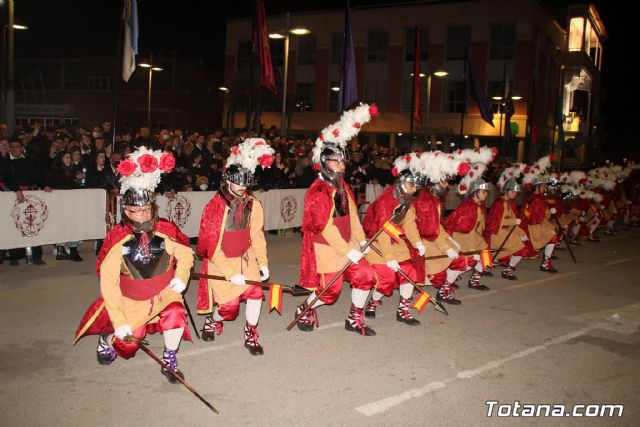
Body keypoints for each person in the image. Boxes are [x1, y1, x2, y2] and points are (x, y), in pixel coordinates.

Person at [74, 147, 194, 383]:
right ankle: (106, 337)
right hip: (131, 301)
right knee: (127, 347)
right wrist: (119, 323)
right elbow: (109, 286)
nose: (142, 216)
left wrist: (181, 276)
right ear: (125, 211)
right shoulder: (118, 240)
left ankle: (170, 357)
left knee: (176, 313)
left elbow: (186, 254)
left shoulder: (165, 231)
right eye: (136, 211)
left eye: (146, 210)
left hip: (163, 294)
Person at [295, 103, 378, 336]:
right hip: (327, 247)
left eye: (342, 161)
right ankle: (304, 308)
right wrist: (346, 250)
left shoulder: (342, 185)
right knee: (330, 292)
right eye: (335, 161)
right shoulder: (318, 190)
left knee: (366, 274)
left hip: (348, 244)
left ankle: (354, 318)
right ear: (324, 162)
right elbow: (324, 226)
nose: (341, 166)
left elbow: (352, 216)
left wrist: (360, 241)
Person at [196, 138, 274, 355]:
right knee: (229, 310)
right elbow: (211, 246)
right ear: (227, 180)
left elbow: (256, 235)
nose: (242, 187)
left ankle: (251, 333)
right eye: (238, 181)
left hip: (246, 258)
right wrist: (230, 273)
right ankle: (214, 319)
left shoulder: (253, 203)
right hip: (221, 262)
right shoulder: (215, 206)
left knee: (256, 292)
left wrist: (263, 262)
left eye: (246, 182)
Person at [362, 154, 424, 325]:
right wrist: (389, 258)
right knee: (387, 277)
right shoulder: (387, 201)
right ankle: (373, 302)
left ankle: (403, 310)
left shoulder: (407, 199)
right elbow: (382, 231)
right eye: (412, 186)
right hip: (377, 242)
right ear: (402, 182)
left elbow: (410, 224)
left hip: (395, 241)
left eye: (416, 187)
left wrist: (417, 242)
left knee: (410, 272)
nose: (414, 190)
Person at [443, 178, 492, 302]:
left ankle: (474, 280)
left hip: (472, 237)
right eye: (483, 191)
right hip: (462, 238)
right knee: (464, 262)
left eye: (486, 192)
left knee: (484, 255)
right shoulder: (468, 206)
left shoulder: (478, 205)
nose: (485, 194)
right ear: (475, 191)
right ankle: (444, 289)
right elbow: (462, 227)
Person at [486, 177, 534, 280]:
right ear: (506, 190)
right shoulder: (498, 203)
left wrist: (521, 233)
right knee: (521, 249)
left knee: (524, 246)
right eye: (513, 191)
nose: (515, 194)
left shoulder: (510, 203)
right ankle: (496, 267)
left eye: (516, 192)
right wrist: (514, 221)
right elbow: (496, 222)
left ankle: (507, 269)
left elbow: (514, 221)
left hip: (507, 233)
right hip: (497, 233)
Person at [521, 156, 559, 273]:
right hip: (533, 227)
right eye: (543, 186)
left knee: (552, 237)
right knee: (552, 237)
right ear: (537, 186)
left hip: (532, 225)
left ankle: (546, 262)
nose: (544, 188)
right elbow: (537, 217)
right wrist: (548, 213)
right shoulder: (537, 199)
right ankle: (545, 263)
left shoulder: (532, 197)